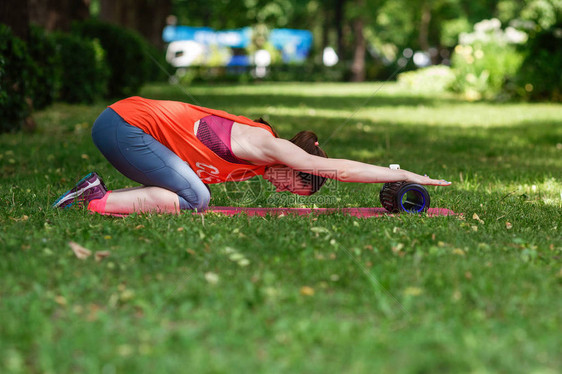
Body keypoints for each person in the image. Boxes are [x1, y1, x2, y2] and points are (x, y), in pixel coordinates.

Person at [52, 96, 451, 215]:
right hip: (124, 124)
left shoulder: (252, 169)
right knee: (197, 199)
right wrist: (402, 174)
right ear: (295, 164)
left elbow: (167, 178)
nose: (281, 190)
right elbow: (340, 170)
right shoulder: (268, 145)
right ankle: (97, 198)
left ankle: (94, 194)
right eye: (293, 185)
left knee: (187, 192)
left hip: (123, 129)